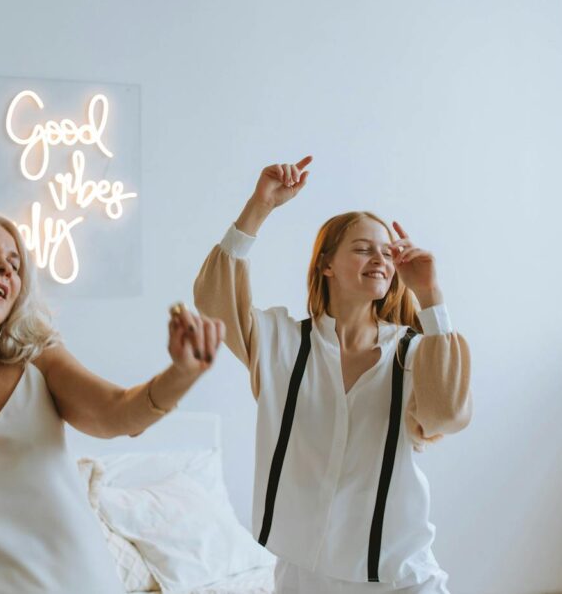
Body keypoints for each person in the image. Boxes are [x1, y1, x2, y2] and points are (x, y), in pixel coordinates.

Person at [0, 210, 224, 593]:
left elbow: (119, 413)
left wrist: (181, 374)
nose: (4, 269)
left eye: (15, 265)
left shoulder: (40, 362)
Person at [193, 156, 471, 594]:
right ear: (326, 265)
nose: (379, 257)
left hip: (397, 574)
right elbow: (213, 301)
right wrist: (260, 205)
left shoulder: (414, 352)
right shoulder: (281, 342)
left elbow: (448, 414)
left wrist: (431, 297)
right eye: (363, 248)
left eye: (387, 251)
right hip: (304, 573)